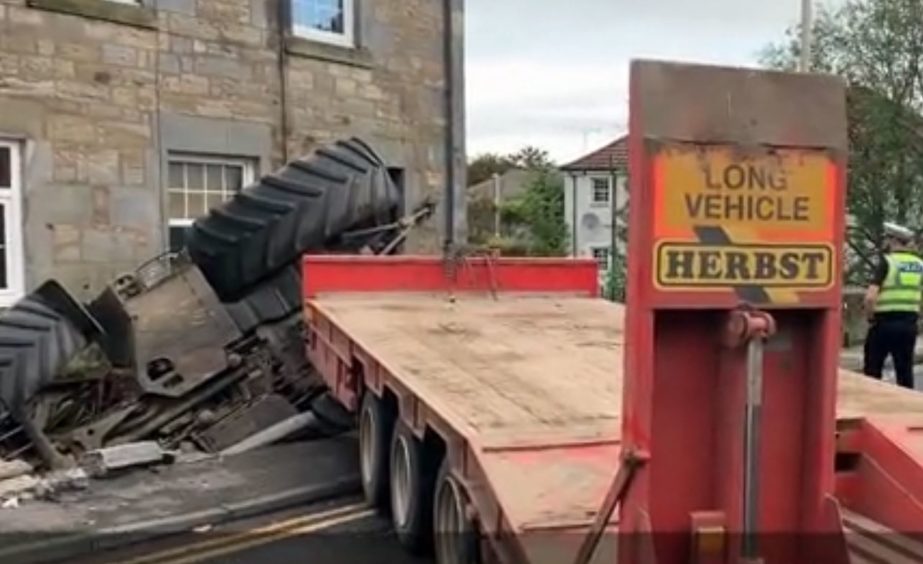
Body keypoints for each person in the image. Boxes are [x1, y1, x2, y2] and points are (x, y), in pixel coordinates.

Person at [863, 222, 923, 389]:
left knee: (872, 370)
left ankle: (872, 406)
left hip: (884, 324)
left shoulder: (887, 262)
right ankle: (907, 411)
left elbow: (870, 297)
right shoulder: (919, 265)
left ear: (893, 241)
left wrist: (870, 317)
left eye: (887, 239)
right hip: (909, 325)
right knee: (905, 372)